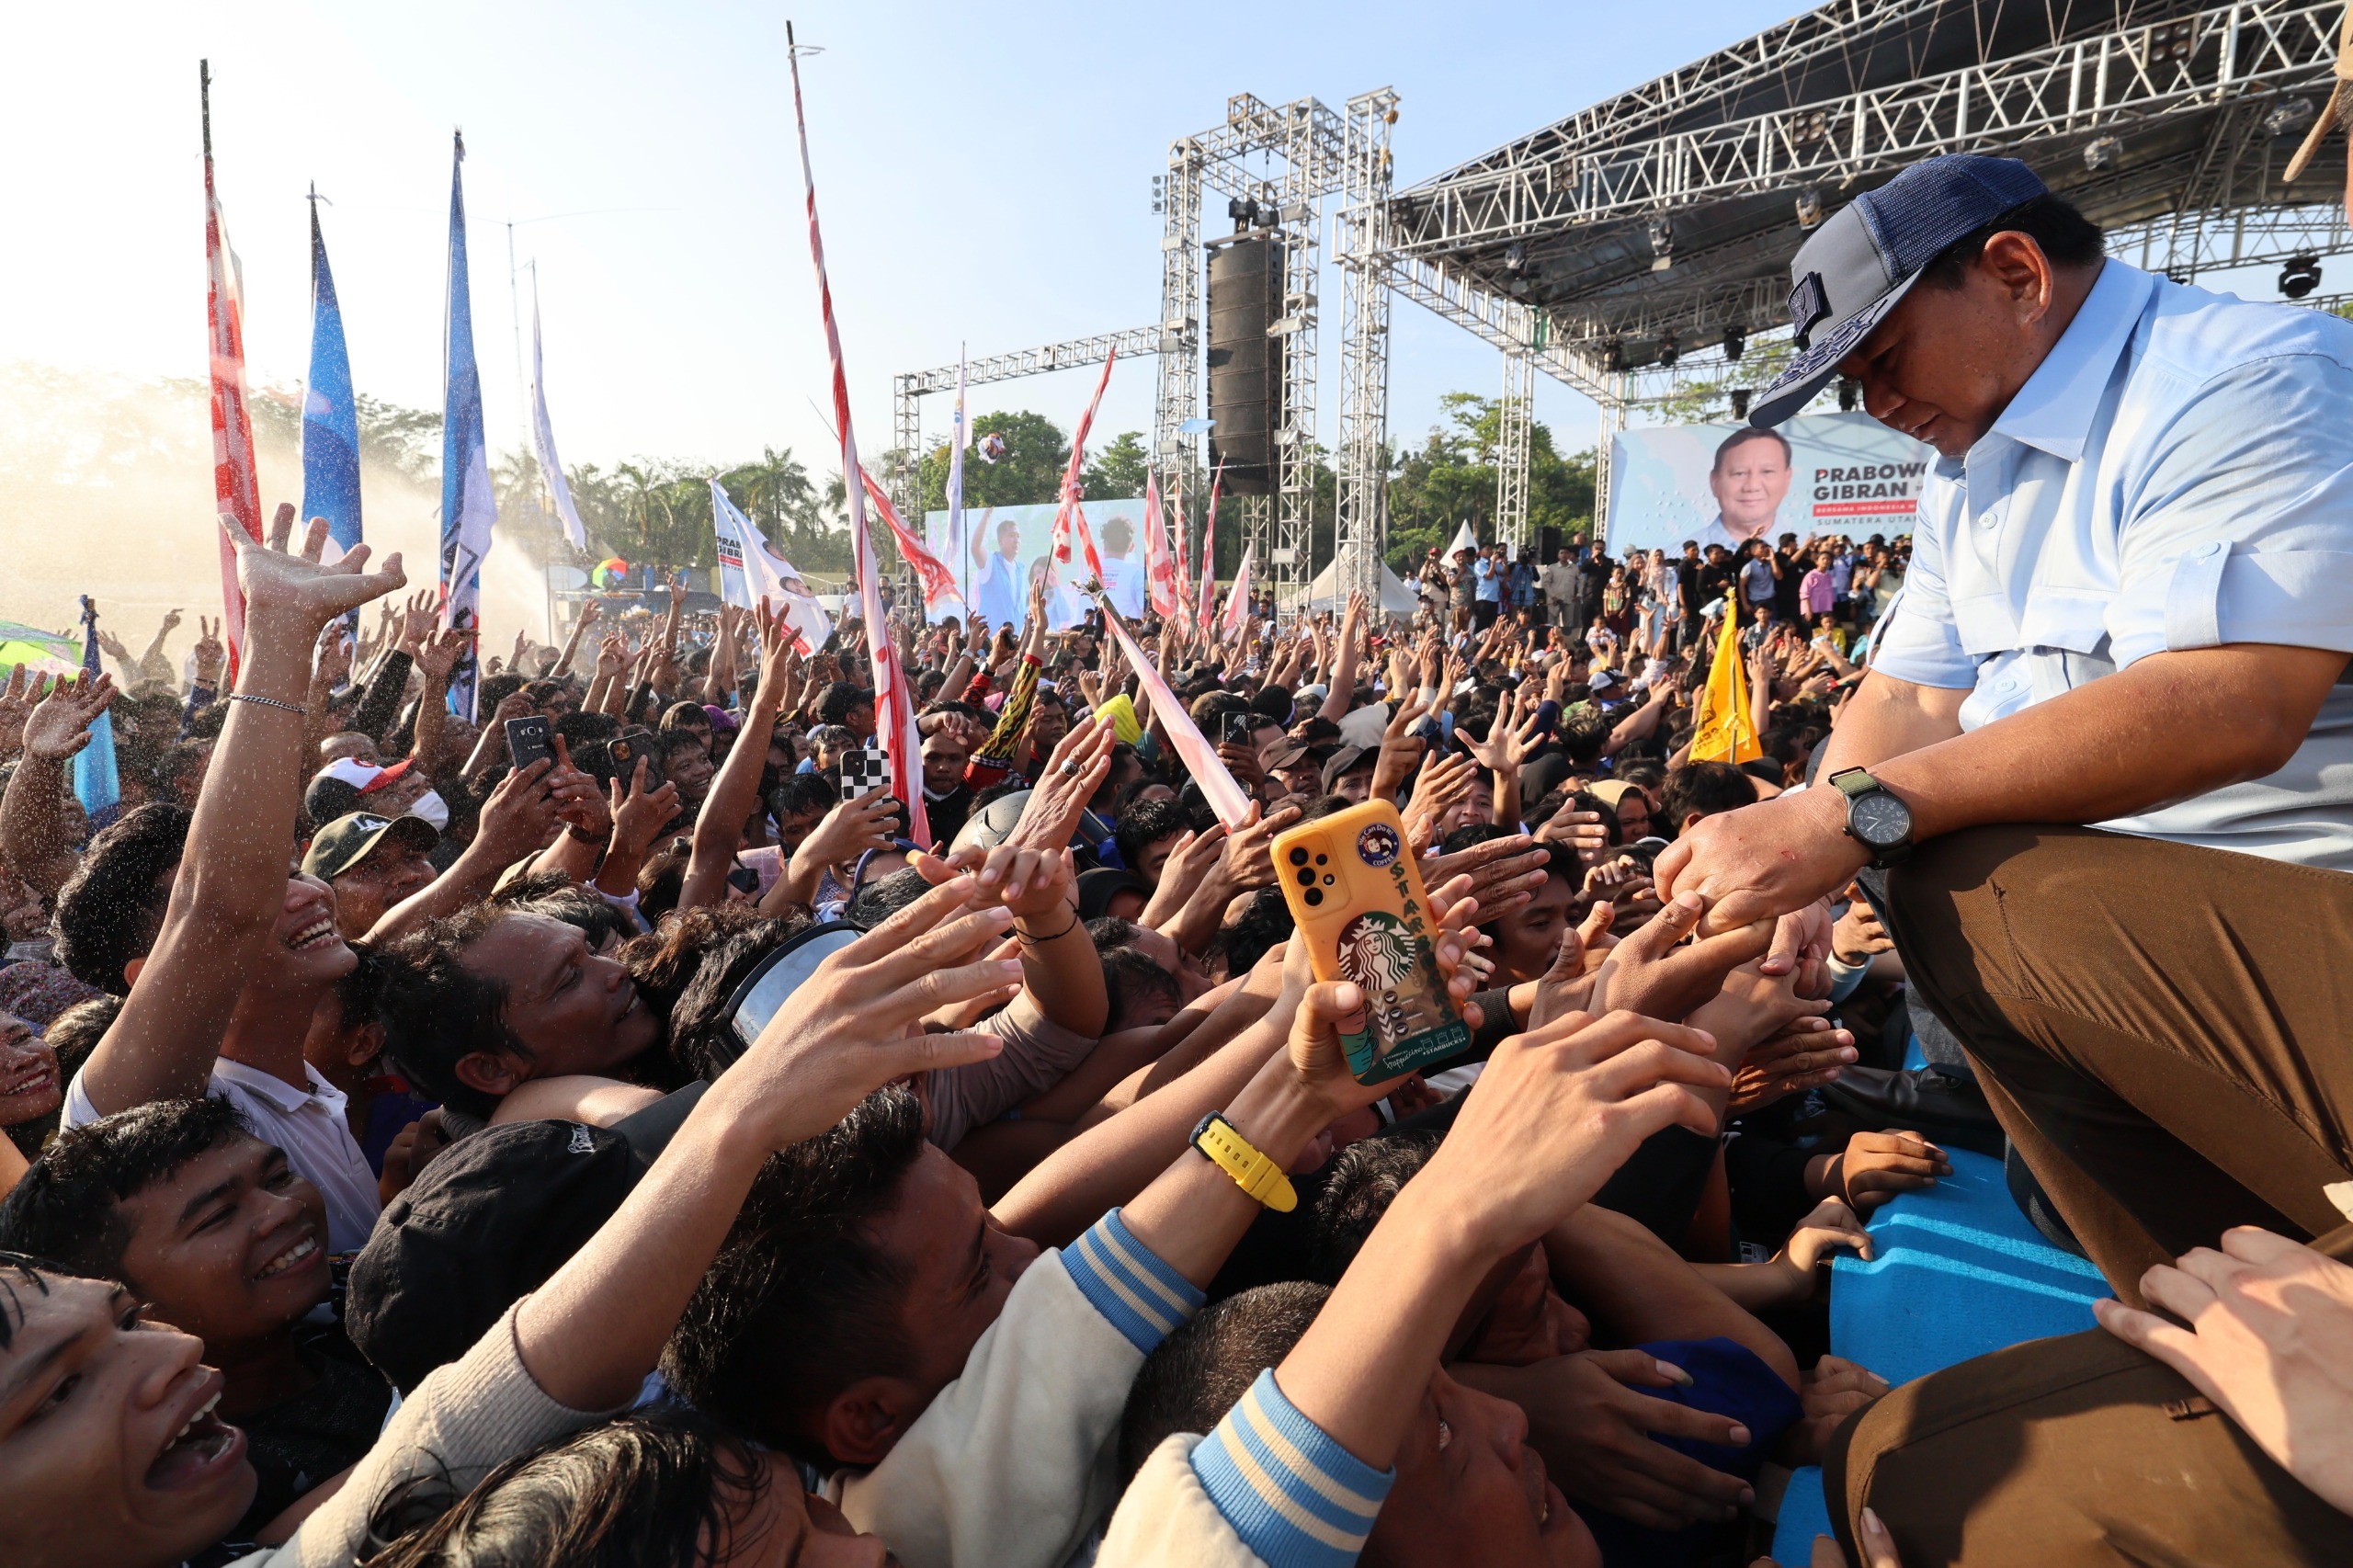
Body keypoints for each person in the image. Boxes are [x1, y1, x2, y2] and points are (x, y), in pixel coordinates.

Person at [1658, 149, 2353, 1562]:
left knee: (1952, 871)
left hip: (2303, 928)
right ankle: (2231, 1311)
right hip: (2169, 979)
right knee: (1896, 1469)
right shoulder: (1969, 477)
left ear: (2019, 275)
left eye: (1884, 354)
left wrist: (1851, 823)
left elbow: (2235, 694)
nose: (1875, 404)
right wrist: (1807, 862)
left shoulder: (2244, 372)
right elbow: (1906, 705)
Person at [1694, 427, 1793, 555]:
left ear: (1787, 479)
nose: (1752, 486)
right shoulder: (1676, 554)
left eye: (1767, 472)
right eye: (1739, 473)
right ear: (1715, 482)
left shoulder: (1809, 550)